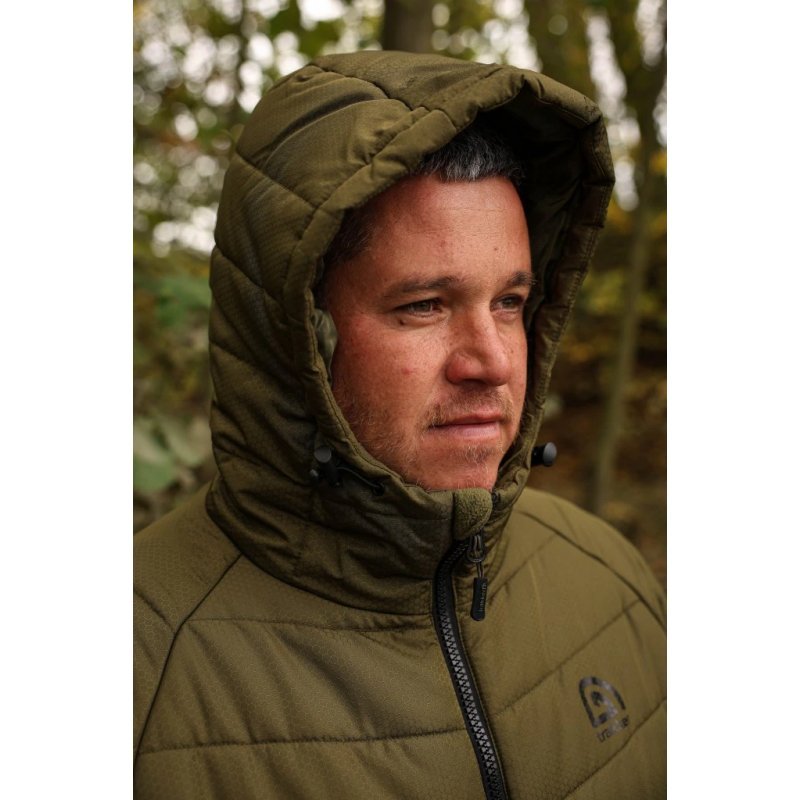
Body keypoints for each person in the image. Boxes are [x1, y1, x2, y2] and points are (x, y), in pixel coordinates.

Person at [134, 51, 666, 799]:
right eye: (424, 306)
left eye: (509, 303)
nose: (491, 362)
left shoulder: (607, 574)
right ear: (300, 337)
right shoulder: (138, 668)